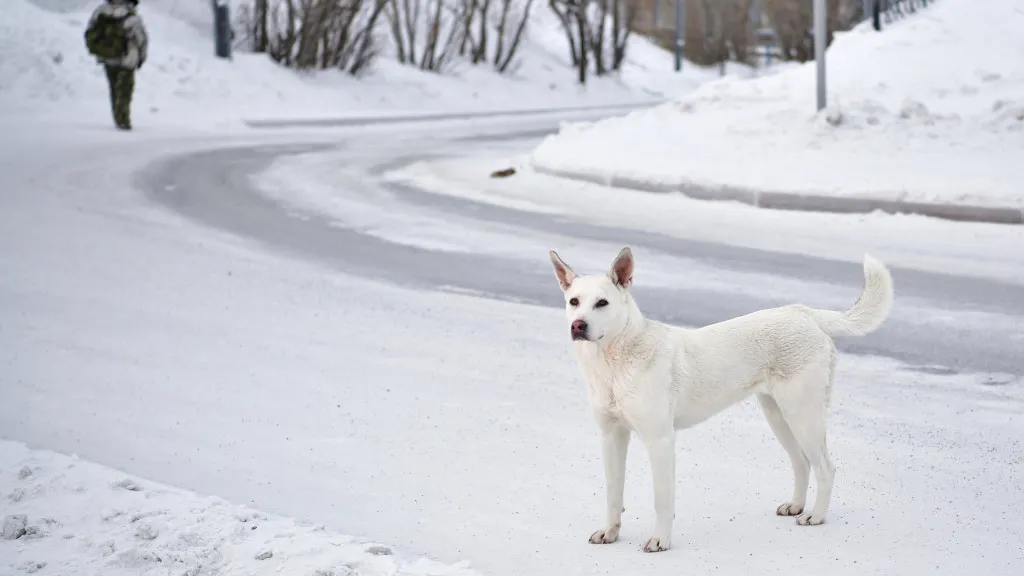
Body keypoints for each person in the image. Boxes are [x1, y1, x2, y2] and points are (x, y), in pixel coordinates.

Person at [84, 0, 148, 130]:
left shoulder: (100, 12)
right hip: (126, 60)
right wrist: (141, 57)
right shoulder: (132, 18)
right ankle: (123, 121)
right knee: (124, 92)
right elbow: (141, 39)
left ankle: (118, 118)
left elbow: (89, 32)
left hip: (108, 58)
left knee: (114, 90)